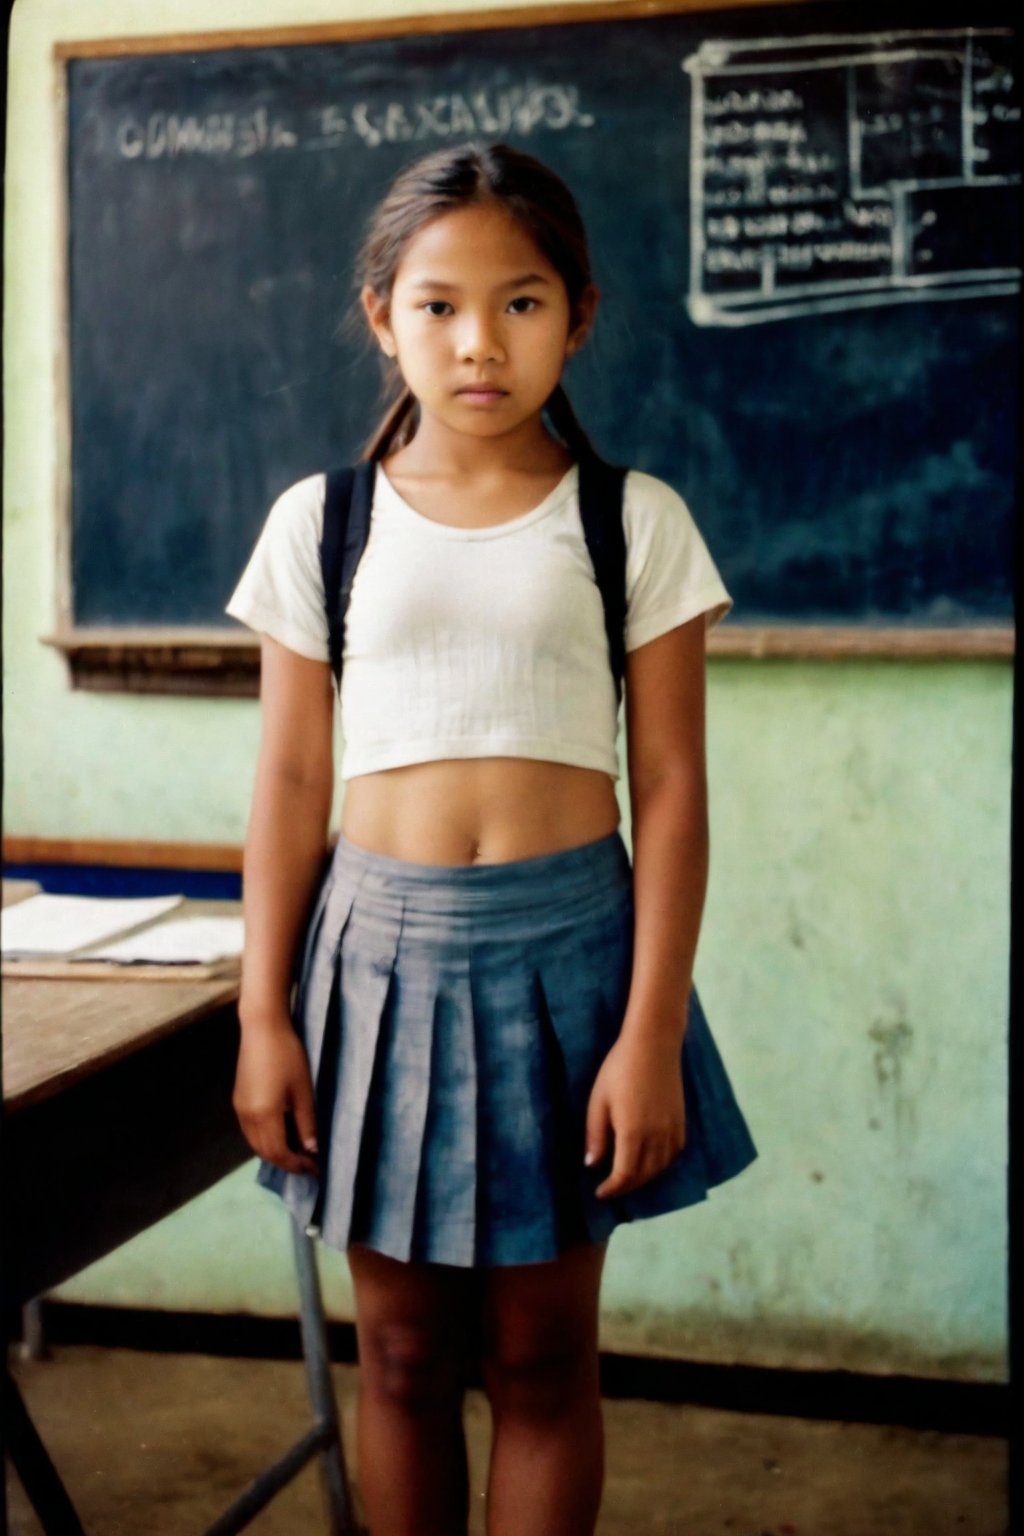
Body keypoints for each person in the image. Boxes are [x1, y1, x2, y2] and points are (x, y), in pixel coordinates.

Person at [226, 141, 757, 1536]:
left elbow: (678, 791)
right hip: (371, 969)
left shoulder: (632, 521)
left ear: (579, 315)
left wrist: (647, 1036)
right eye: (440, 305)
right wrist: (260, 1014)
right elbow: (289, 783)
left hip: (570, 960)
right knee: (400, 1358)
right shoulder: (321, 524)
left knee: (539, 1358)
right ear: (381, 316)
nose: (479, 343)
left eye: (521, 304)